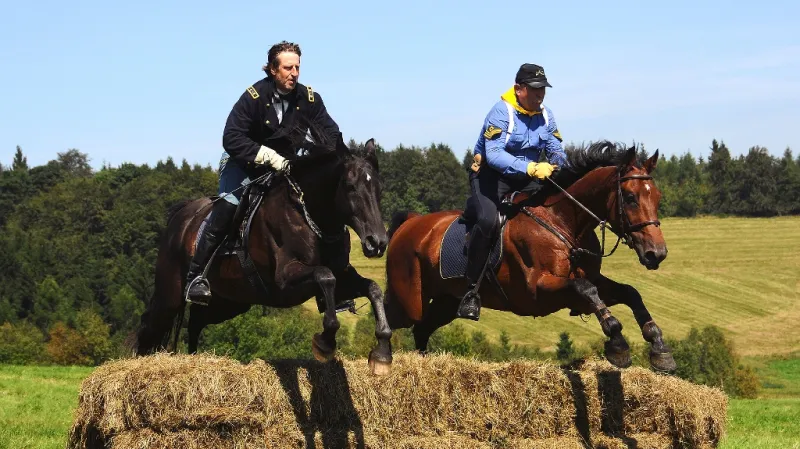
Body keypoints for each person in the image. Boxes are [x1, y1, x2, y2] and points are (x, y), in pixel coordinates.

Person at [185, 40, 347, 305]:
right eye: (287, 68)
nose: (294, 73)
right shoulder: (254, 97)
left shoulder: (309, 99)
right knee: (227, 208)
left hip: (287, 167)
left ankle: (334, 283)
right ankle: (196, 276)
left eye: (297, 67)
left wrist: (318, 155)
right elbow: (231, 137)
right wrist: (268, 155)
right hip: (244, 164)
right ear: (273, 69)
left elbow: (331, 134)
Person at [457, 63, 569, 321]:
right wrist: (531, 167)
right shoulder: (501, 112)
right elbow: (494, 155)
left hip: (525, 177)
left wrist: (558, 164)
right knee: (487, 221)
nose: (540, 96)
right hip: (489, 177)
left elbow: (555, 148)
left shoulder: (546, 115)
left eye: (543, 90)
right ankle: (471, 290)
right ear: (519, 89)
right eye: (535, 90)